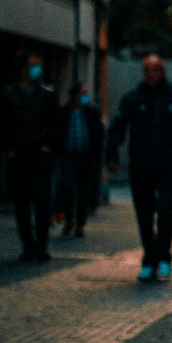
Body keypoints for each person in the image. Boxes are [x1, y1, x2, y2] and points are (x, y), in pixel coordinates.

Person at [105, 54, 172, 282]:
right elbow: (118, 126)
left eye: (156, 70)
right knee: (144, 213)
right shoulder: (133, 98)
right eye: (147, 70)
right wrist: (112, 153)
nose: (151, 74)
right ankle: (150, 258)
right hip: (141, 164)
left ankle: (163, 256)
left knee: (165, 208)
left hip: (168, 163)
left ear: (162, 72)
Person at [0, 54, 60, 262]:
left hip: (39, 154)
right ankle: (28, 245)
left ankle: (41, 245)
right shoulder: (9, 95)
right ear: (23, 68)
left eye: (39, 66)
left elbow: (56, 124)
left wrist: (48, 145)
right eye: (33, 66)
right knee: (21, 203)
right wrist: (8, 149)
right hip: (19, 153)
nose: (37, 70)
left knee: (42, 202)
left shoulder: (47, 95)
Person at [54, 82, 105, 238]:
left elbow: (99, 133)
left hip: (86, 157)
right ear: (74, 95)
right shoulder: (64, 112)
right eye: (82, 93)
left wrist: (96, 155)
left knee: (84, 191)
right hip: (68, 156)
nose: (85, 96)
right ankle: (69, 220)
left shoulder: (91, 112)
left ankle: (80, 224)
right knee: (68, 188)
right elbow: (57, 132)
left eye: (86, 93)